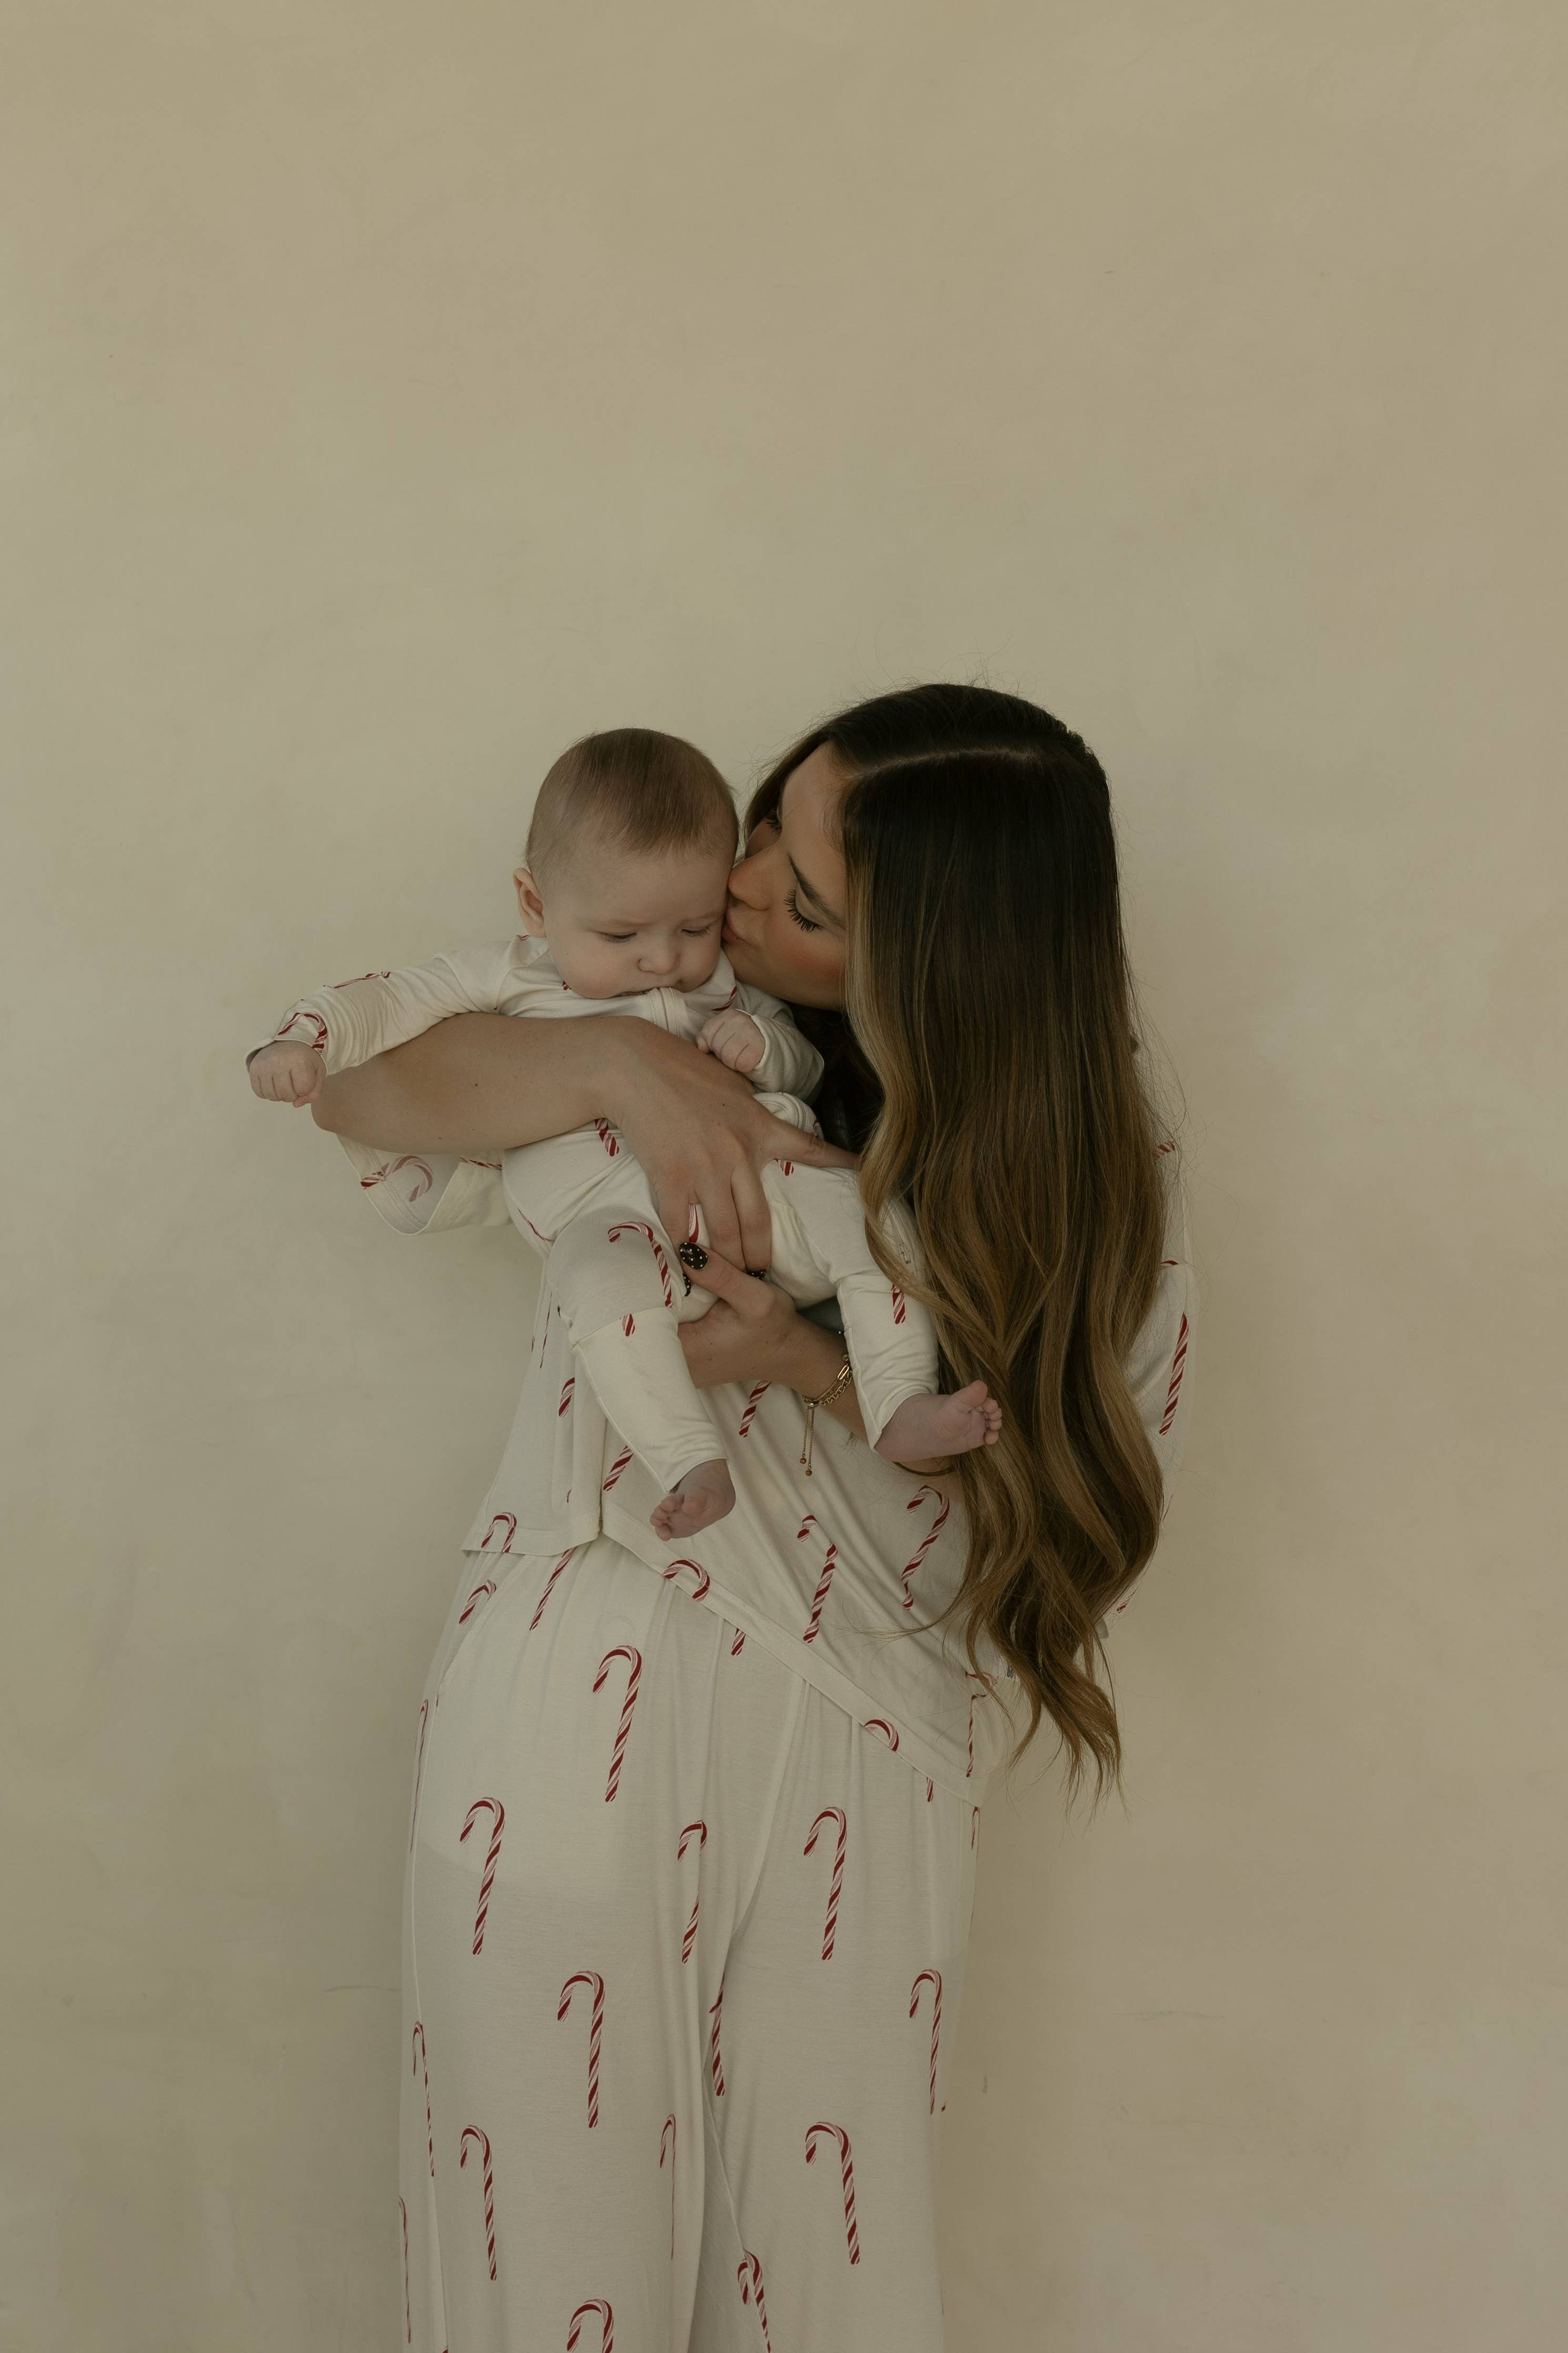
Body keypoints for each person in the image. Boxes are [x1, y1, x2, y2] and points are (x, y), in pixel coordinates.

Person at [304, 683, 1197, 2352]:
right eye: (769, 824)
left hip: (863, 1728)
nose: (739, 890)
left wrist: (803, 1361)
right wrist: (618, 1061)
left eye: (805, 900)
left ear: (934, 960)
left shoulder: (1088, 1156)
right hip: (585, 1660)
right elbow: (358, 1092)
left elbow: (1081, 1507)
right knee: (541, 2258)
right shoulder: (657, 1001)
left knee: (824, 2280)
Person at [248, 726, 998, 1541]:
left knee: (867, 1213)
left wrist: (763, 1050)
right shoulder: (515, 972)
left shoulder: (729, 984)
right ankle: (685, 1457)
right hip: (619, 1230)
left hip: (774, 1209)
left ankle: (899, 1398)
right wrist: (302, 1041)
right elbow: (380, 1013)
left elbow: (797, 1064)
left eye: (694, 927)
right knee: (594, 1275)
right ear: (536, 905)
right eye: (769, 829)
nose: (663, 961)